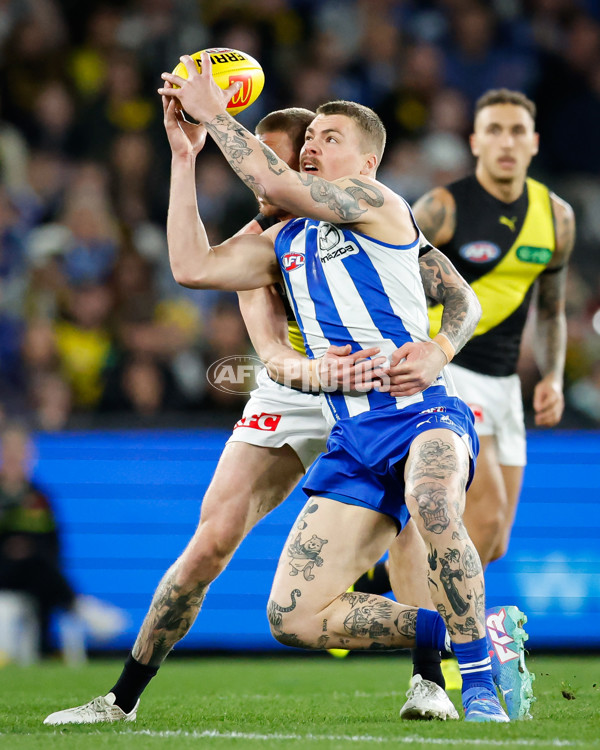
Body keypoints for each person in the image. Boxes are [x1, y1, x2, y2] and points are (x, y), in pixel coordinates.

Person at [151, 55, 518, 723]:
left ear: (367, 162)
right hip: (353, 437)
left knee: (432, 506)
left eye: (329, 138)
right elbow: (191, 265)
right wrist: (184, 156)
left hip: (422, 414)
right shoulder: (287, 240)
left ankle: (483, 688)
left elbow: (275, 179)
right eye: (309, 137)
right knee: (293, 618)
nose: (312, 145)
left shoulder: (378, 205)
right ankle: (455, 632)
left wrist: (438, 349)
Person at [352, 88, 570, 718]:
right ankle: (450, 654)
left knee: (494, 536)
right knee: (476, 511)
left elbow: (551, 308)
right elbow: (393, 277)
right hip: (452, 373)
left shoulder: (555, 218)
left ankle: (385, 571)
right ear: (475, 142)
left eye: (516, 130)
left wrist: (549, 374)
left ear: (533, 142)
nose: (505, 141)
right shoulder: (443, 208)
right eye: (493, 130)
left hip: (506, 386)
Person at [0, 422, 125, 658]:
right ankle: (78, 606)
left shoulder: (40, 498)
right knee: (35, 563)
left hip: (35, 578)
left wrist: (28, 550)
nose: (16, 458)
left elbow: (53, 545)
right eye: (10, 452)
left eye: (21, 452)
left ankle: (44, 645)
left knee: (38, 565)